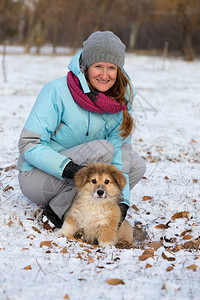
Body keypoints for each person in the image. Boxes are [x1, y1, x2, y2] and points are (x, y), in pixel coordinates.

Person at [16, 31, 146, 229]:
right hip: (38, 177)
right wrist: (67, 168)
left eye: (111, 68)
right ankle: (56, 213)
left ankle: (90, 215)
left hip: (79, 173)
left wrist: (122, 203)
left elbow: (121, 157)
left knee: (135, 165)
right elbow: (28, 143)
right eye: (98, 66)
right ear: (86, 67)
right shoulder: (57, 91)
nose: (104, 75)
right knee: (105, 150)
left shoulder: (118, 103)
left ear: (119, 70)